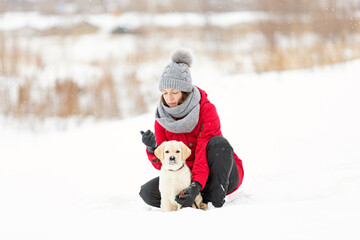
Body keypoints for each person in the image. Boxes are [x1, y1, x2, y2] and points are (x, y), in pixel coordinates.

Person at [139, 48, 244, 208]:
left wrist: (195, 186)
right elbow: (164, 164)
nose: (169, 98)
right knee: (147, 192)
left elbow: (202, 152)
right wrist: (152, 148)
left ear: (185, 91)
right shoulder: (162, 116)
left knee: (219, 144)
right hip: (183, 175)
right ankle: (194, 198)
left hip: (218, 171)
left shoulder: (206, 109)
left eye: (174, 92)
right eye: (165, 92)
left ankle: (214, 194)